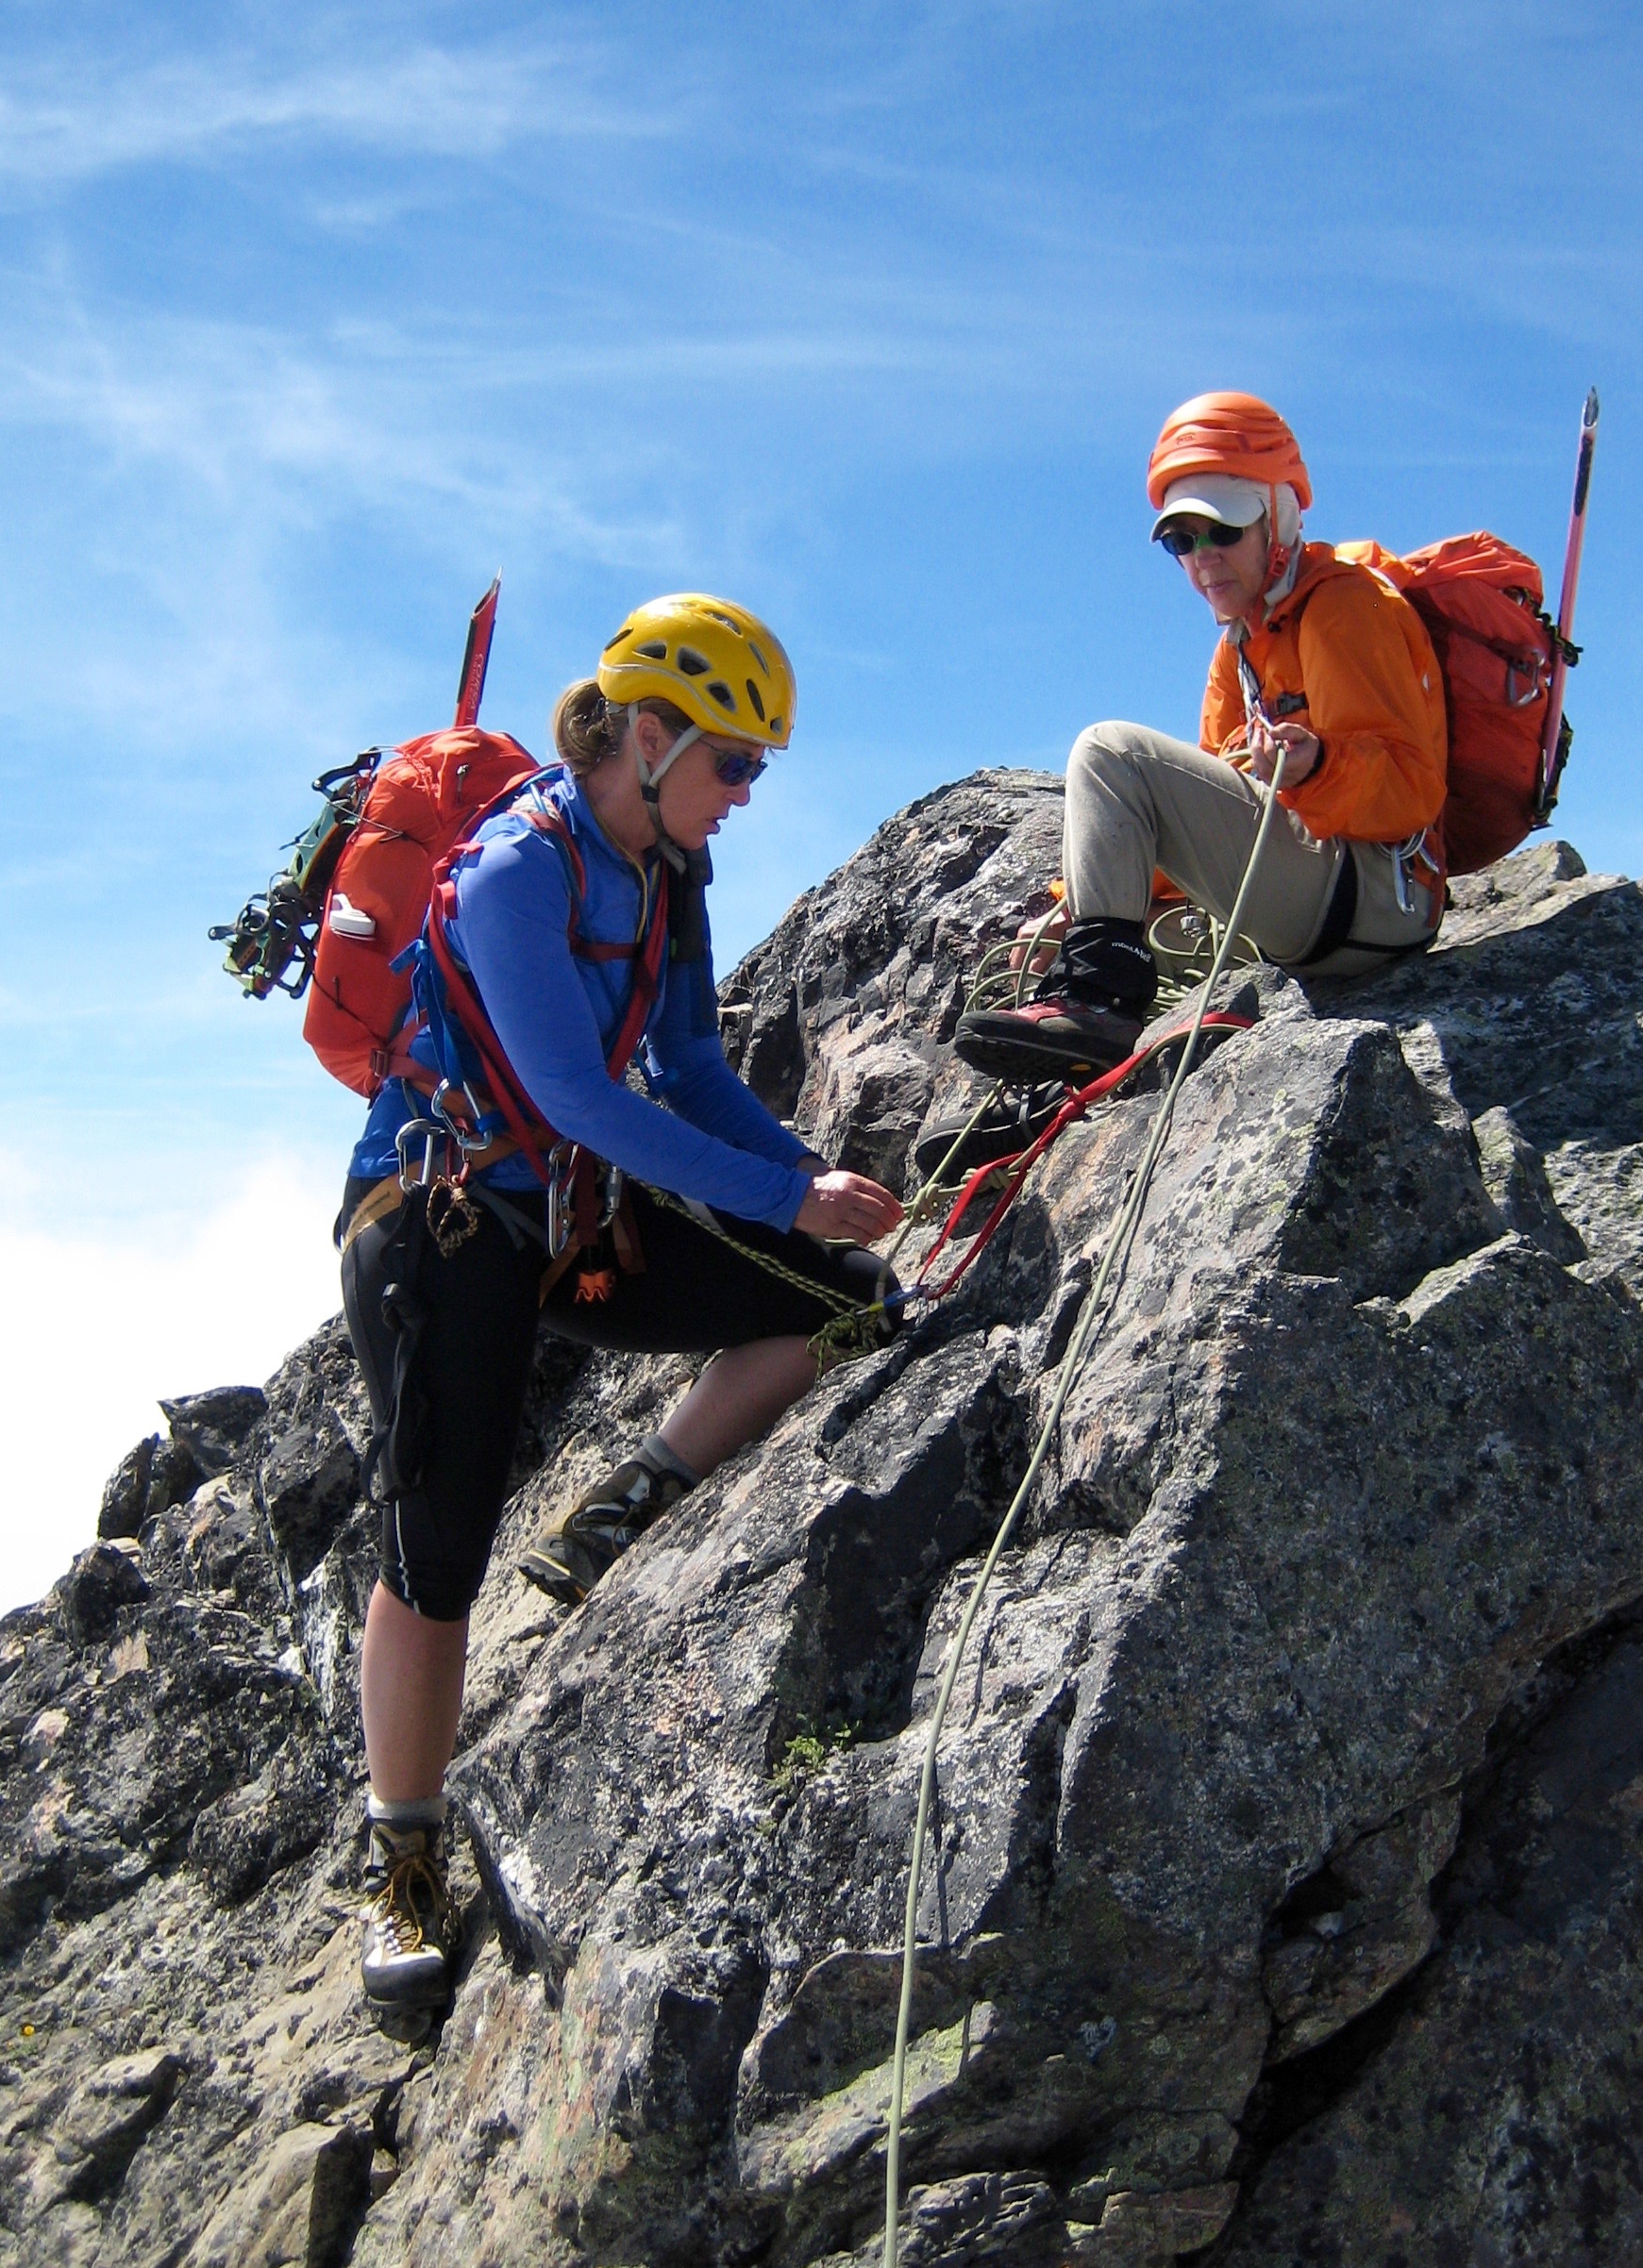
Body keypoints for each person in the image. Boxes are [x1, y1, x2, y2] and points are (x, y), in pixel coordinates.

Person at [337, 593, 901, 2010]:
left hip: (569, 1211)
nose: (747, 795)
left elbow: (692, 1068)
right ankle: (401, 1861)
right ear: (646, 737)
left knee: (837, 1298)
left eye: (756, 769)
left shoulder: (668, 878)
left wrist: (810, 1179)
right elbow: (575, 1091)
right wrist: (781, 1195)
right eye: (733, 763)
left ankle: (631, 1501)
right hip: (445, 1216)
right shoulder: (518, 870)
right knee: (438, 1544)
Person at [954, 391, 1449, 1081]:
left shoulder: (1343, 607)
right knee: (1119, 780)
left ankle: (1096, 1002)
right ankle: (1070, 1038)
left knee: (1108, 751)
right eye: (1181, 541)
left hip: (1377, 898)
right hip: (1340, 906)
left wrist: (1319, 767)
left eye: (1223, 531)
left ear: (1278, 517)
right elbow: (1186, 822)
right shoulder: (1239, 651)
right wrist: (1073, 911)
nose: (1202, 558)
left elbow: (1413, 790)